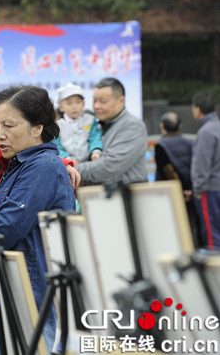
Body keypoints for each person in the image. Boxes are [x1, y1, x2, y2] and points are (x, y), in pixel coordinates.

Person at [0, 86, 76, 354]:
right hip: (6, 292)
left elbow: (7, 226)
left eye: (10, 126)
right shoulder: (18, 163)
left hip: (27, 297)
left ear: (37, 128)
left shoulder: (43, 166)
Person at [75, 77, 147, 186]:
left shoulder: (133, 126)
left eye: (103, 101)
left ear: (121, 101)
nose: (96, 106)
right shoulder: (96, 125)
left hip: (124, 199)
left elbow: (109, 166)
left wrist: (71, 169)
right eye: (94, 100)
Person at [155, 112, 201, 245]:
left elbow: (168, 171)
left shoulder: (161, 146)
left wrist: (179, 189)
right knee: (191, 227)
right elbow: (196, 166)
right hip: (191, 194)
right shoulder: (190, 143)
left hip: (171, 194)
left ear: (162, 126)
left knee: (174, 229)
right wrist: (190, 189)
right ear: (180, 126)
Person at [191, 92, 220, 248]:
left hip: (210, 189)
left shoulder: (206, 131)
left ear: (198, 109)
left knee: (212, 235)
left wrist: (198, 188)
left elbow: (203, 164)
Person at [53, 82, 102, 165]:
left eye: (78, 102)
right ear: (61, 107)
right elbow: (56, 146)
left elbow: (94, 137)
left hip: (89, 163)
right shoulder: (58, 126)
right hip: (67, 165)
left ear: (83, 104)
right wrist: (67, 158)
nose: (74, 106)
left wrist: (96, 151)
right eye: (69, 103)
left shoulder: (90, 120)